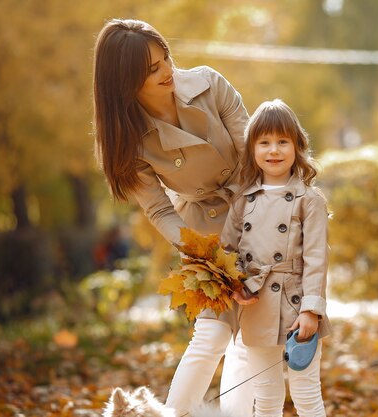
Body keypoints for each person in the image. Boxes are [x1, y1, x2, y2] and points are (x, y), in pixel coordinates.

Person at [92, 18, 253, 417]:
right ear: (124, 83)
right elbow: (160, 209)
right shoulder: (126, 139)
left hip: (257, 208)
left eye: (165, 58)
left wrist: (267, 227)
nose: (167, 72)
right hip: (203, 234)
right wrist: (210, 264)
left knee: (256, 337)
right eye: (151, 70)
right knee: (211, 334)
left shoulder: (208, 84)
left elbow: (254, 155)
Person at [221, 99, 333, 417]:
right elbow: (227, 251)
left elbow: (316, 259)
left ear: (297, 146)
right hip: (256, 306)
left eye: (283, 141)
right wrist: (235, 285)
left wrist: (312, 310)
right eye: (265, 142)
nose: (274, 150)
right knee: (266, 397)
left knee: (307, 394)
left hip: (298, 305)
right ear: (252, 148)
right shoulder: (243, 200)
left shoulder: (309, 200)